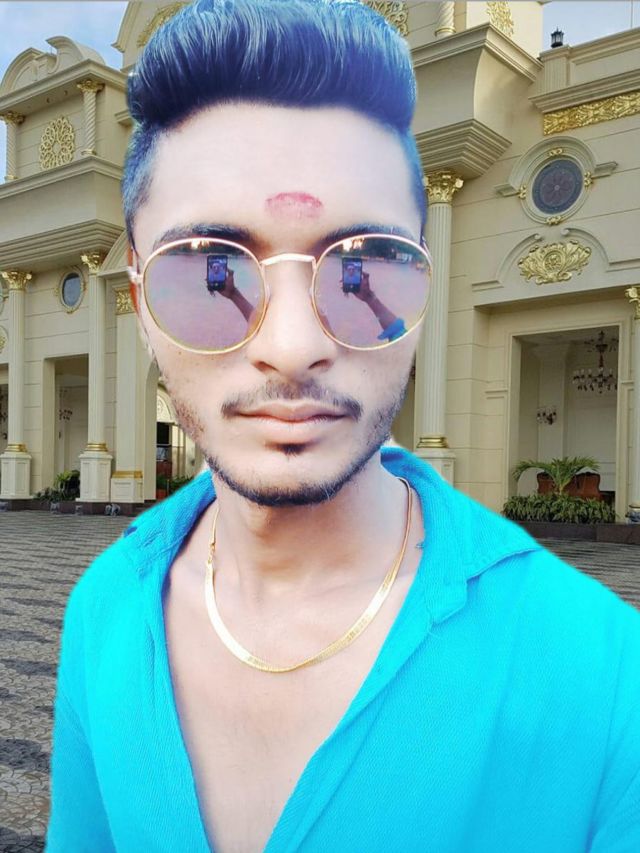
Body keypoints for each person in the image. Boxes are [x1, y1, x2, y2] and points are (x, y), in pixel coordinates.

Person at [46, 1, 640, 851]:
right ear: (139, 304)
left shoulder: (605, 673)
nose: (292, 347)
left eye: (364, 263)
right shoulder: (104, 609)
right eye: (210, 269)